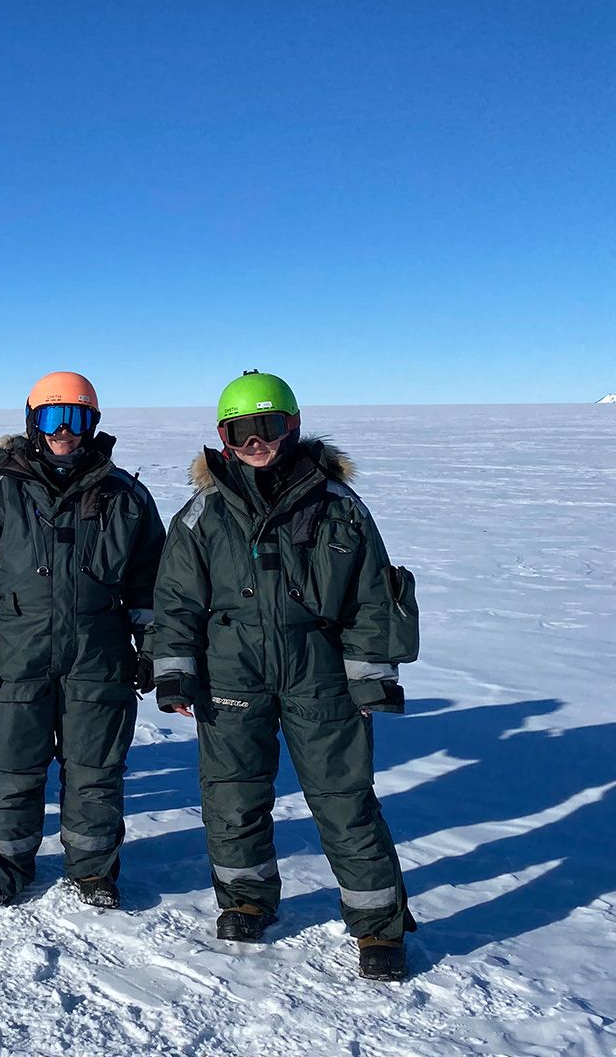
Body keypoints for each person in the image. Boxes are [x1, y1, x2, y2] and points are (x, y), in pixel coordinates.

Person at [151, 370, 420, 980]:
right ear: (223, 438)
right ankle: (246, 899)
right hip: (231, 670)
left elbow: (373, 599)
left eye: (267, 427)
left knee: (343, 799)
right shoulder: (203, 513)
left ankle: (378, 925)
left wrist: (371, 676)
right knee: (232, 794)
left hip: (319, 671)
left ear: (291, 427)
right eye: (240, 431)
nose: (256, 442)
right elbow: (176, 600)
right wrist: (174, 671)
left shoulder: (339, 506)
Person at [0, 372, 166, 908]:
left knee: (95, 768)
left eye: (77, 418)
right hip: (16, 647)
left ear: (93, 425)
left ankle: (92, 870)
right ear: (32, 422)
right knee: (12, 763)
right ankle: (4, 864)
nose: (64, 431)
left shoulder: (126, 497)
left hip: (100, 648)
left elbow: (151, 581)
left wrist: (152, 646)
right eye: (52, 418)